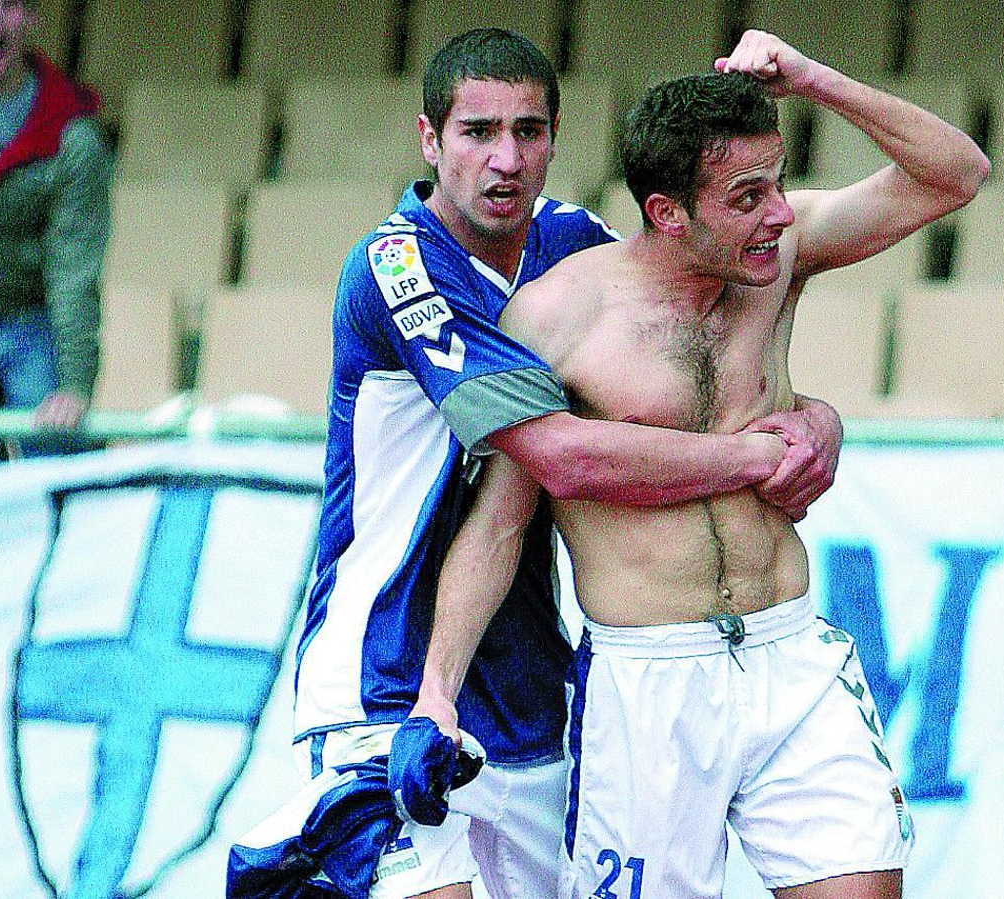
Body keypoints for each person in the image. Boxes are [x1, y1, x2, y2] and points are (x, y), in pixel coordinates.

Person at [241, 27, 843, 899]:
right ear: (428, 139)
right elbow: (561, 454)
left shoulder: (575, 244)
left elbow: (680, 370)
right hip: (387, 675)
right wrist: (759, 454)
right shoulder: (396, 265)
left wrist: (817, 417)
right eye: (477, 132)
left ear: (556, 139)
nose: (506, 158)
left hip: (529, 686)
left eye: (528, 131)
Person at [413, 29, 989, 899]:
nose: (780, 214)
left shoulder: (779, 257)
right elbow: (500, 523)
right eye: (747, 196)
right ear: (668, 212)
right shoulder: (557, 317)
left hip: (789, 649)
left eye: (780, 183)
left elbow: (956, 174)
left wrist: (814, 80)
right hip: (648, 680)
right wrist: (436, 693)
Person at [0, 0, 110, 461]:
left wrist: (75, 384)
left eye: (10, 4)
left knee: (58, 465)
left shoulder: (74, 136)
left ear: (33, 18)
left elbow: (74, 270)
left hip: (33, 325)